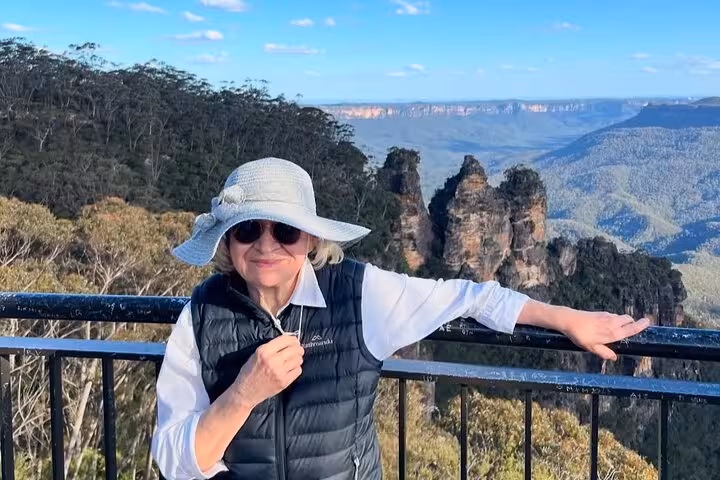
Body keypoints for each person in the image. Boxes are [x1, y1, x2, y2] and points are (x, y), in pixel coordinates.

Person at [151, 157, 650, 480]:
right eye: (245, 231)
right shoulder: (202, 317)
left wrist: (565, 318)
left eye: (284, 230)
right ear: (226, 242)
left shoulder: (360, 293)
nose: (265, 245)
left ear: (311, 239)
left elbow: (468, 296)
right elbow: (174, 461)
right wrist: (244, 393)